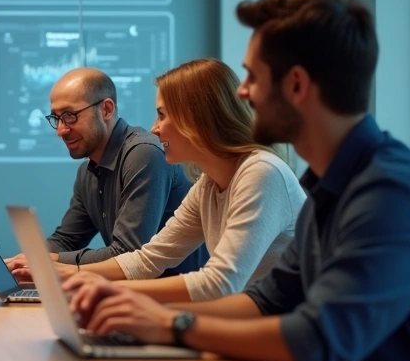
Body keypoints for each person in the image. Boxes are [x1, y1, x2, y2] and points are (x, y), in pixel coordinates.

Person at [66, 0, 410, 361]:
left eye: (252, 77)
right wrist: (140, 313)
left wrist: (172, 325)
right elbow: (269, 301)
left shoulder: (391, 194)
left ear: (296, 85)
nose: (242, 92)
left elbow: (315, 339)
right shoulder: (327, 184)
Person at [56, 58, 304, 303]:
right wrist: (74, 274)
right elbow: (148, 260)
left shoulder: (261, 172)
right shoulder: (207, 186)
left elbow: (220, 283)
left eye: (162, 115)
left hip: (291, 336)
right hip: (257, 324)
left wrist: (107, 288)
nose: (154, 129)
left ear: (196, 118)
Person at [0, 68, 205, 279]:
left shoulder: (144, 153)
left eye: (70, 116)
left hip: (171, 302)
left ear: (106, 109)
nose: (61, 129)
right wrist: (5, 264)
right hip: (137, 296)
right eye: (56, 118)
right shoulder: (88, 170)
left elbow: (128, 253)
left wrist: (47, 263)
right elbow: (65, 240)